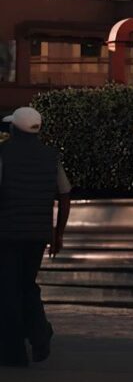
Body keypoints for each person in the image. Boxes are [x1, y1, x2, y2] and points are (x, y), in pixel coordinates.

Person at [0, 106, 71, 367]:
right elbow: (64, 195)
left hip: (6, 234)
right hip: (38, 234)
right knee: (27, 285)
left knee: (7, 291)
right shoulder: (51, 157)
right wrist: (58, 233)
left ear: (14, 129)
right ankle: (40, 335)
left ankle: (15, 351)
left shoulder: (3, 154)